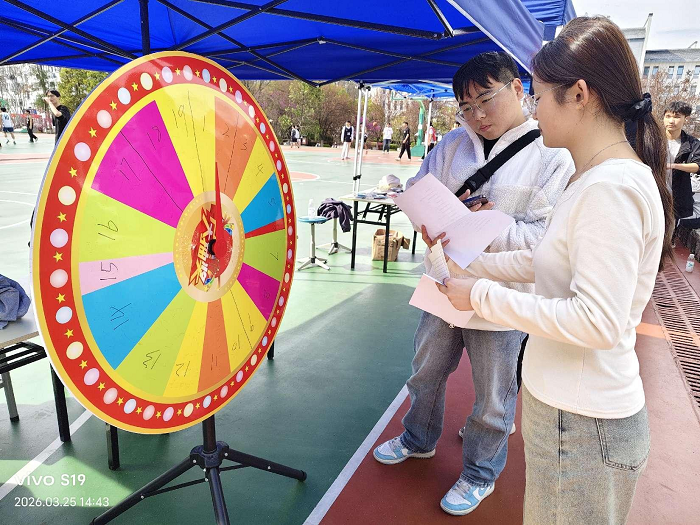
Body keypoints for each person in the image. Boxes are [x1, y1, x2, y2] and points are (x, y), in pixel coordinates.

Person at [437, 17, 673, 524]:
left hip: (584, 423)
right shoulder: (595, 178)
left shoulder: (610, 189)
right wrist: (476, 265)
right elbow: (547, 258)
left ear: (580, 95)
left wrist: (479, 295)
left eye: (540, 96)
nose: (535, 108)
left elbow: (596, 321)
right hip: (569, 414)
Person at [373, 51, 574, 517]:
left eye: (485, 99)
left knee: (493, 397)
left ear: (518, 88)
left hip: (502, 297)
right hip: (443, 282)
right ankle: (418, 438)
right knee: (425, 371)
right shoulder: (450, 146)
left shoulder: (552, 156)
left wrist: (485, 227)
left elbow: (545, 240)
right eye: (466, 107)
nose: (477, 115)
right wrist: (427, 221)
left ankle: (480, 473)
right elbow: (420, 191)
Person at [663, 101, 700, 228]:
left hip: (678, 194)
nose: (671, 121)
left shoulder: (692, 143)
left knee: (672, 227)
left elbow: (697, 166)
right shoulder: (654, 139)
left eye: (677, 117)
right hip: (655, 190)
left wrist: (673, 165)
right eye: (668, 116)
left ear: (686, 119)